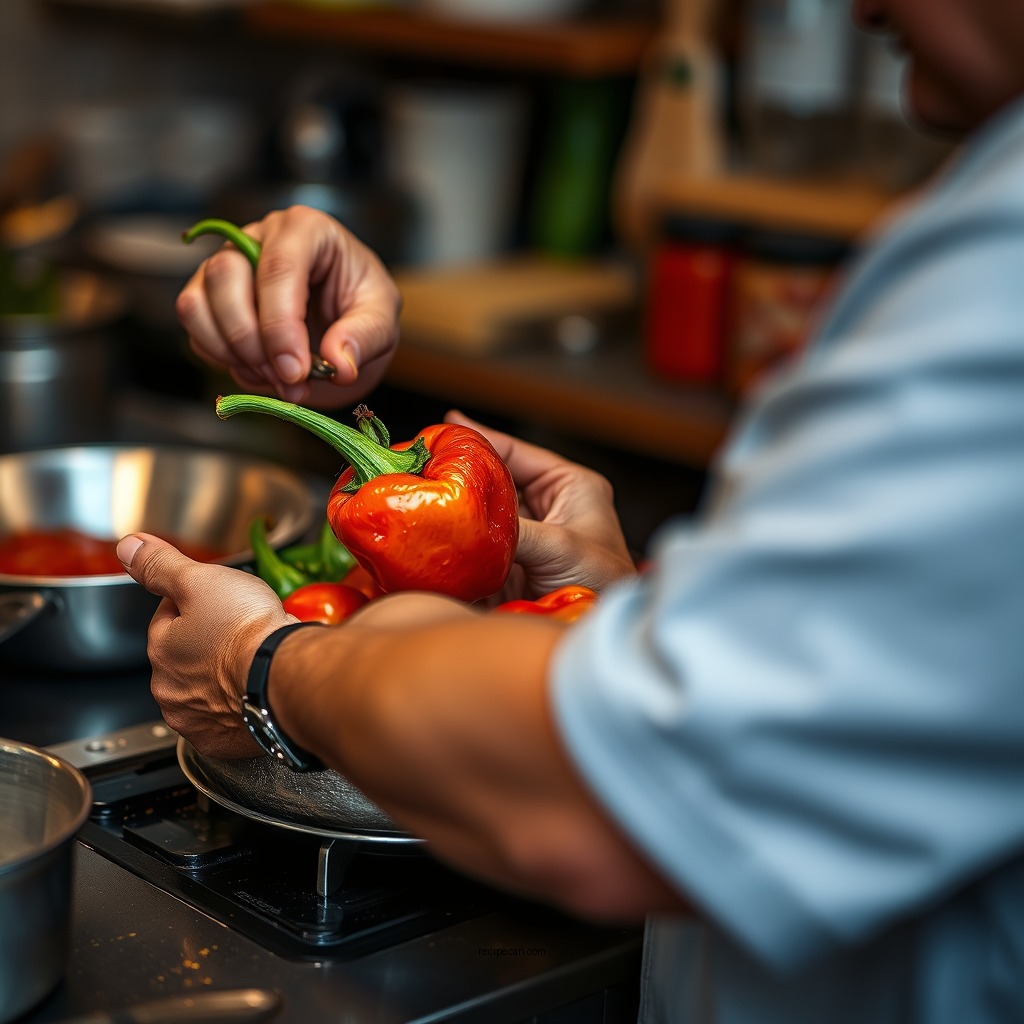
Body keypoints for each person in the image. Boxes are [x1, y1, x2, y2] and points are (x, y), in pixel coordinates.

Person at [117, 0, 1024, 1020]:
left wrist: (267, 665)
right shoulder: (985, 217)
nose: (861, 8)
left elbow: (612, 799)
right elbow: (888, 691)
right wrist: (624, 604)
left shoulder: (1003, 278)